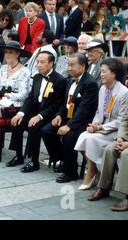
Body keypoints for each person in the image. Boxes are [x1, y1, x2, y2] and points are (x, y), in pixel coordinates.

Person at [88, 62, 128, 212]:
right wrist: (121, 138)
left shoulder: (125, 92)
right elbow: (124, 120)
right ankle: (104, 188)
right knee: (109, 149)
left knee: (127, 154)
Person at [41, 53, 99, 183]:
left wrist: (69, 126)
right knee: (47, 130)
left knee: (69, 137)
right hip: (67, 116)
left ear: (83, 66)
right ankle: (62, 159)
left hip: (82, 121)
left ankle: (70, 172)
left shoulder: (90, 83)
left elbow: (84, 110)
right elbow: (65, 103)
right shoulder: (70, 80)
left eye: (73, 65)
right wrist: (59, 115)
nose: (69, 68)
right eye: (68, 65)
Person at [74, 58, 128, 191]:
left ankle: (91, 171)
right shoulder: (103, 88)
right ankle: (93, 169)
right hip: (102, 128)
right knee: (84, 135)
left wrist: (101, 127)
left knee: (90, 139)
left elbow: (122, 120)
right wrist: (95, 124)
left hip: (115, 131)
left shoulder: (123, 92)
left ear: (114, 73)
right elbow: (99, 111)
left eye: (104, 72)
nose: (101, 74)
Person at [10, 51, 66, 172]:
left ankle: (34, 161)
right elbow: (30, 98)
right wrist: (21, 113)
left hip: (49, 114)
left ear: (51, 63)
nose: (39, 65)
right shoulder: (37, 77)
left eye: (42, 62)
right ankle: (18, 155)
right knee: (17, 121)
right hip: (36, 110)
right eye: (37, 62)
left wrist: (40, 116)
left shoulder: (60, 80)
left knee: (34, 127)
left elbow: (57, 105)